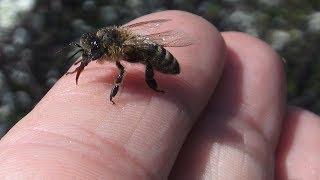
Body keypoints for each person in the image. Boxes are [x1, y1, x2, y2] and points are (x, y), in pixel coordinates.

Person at [0, 10, 319, 179]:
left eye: (93, 52)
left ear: (108, 46)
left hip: (158, 56)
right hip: (146, 49)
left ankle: (155, 85)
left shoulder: (119, 48)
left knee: (134, 67)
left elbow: (126, 64)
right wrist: (77, 67)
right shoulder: (106, 42)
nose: (90, 55)